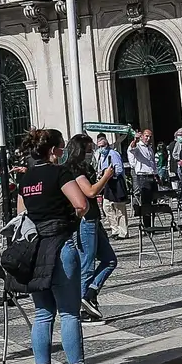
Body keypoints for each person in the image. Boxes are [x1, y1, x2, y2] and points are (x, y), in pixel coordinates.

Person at [14, 128, 108, 364]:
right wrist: (69, 217)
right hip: (60, 244)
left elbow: (23, 215)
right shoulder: (59, 173)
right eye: (62, 147)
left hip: (36, 249)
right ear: (55, 150)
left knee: (42, 313)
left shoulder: (26, 179)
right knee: (69, 312)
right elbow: (82, 204)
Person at [64, 134, 118, 321]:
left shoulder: (84, 168)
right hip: (85, 221)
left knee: (110, 260)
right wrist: (106, 176)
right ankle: (80, 306)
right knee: (86, 264)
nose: (91, 152)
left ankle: (89, 294)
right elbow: (90, 191)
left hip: (94, 219)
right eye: (89, 149)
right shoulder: (74, 169)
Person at [94, 135, 130, 239]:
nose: (101, 148)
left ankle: (123, 232)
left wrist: (110, 174)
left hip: (116, 182)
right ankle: (115, 229)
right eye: (99, 146)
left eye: (103, 146)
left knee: (119, 209)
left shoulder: (113, 154)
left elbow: (118, 169)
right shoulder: (101, 156)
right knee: (107, 207)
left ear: (107, 145)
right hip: (107, 184)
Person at [128, 130, 160, 233]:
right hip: (143, 177)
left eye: (150, 136)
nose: (148, 138)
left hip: (152, 176)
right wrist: (135, 139)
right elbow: (132, 148)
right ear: (142, 136)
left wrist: (156, 175)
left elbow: (152, 163)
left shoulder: (150, 148)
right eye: (146, 136)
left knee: (154, 201)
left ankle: (152, 225)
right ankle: (147, 226)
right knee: (146, 202)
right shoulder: (138, 146)